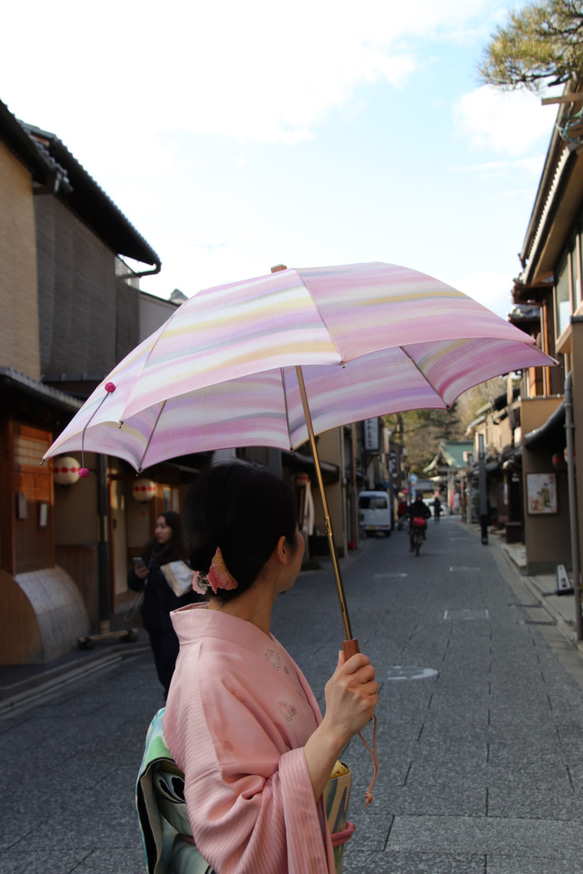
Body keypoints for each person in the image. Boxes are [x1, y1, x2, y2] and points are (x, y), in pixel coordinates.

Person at [163, 461, 379, 873]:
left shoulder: (244, 641)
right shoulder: (210, 673)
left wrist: (341, 713)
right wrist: (333, 728)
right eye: (297, 528)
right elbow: (242, 848)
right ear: (283, 548)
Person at [128, 510, 201, 698]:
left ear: (173, 529)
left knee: (170, 661)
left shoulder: (183, 554)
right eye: (157, 526)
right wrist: (137, 577)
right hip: (153, 619)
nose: (158, 531)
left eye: (163, 526)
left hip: (175, 619)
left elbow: (196, 589)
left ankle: (174, 697)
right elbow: (134, 585)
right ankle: (170, 696)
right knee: (160, 663)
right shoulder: (150, 552)